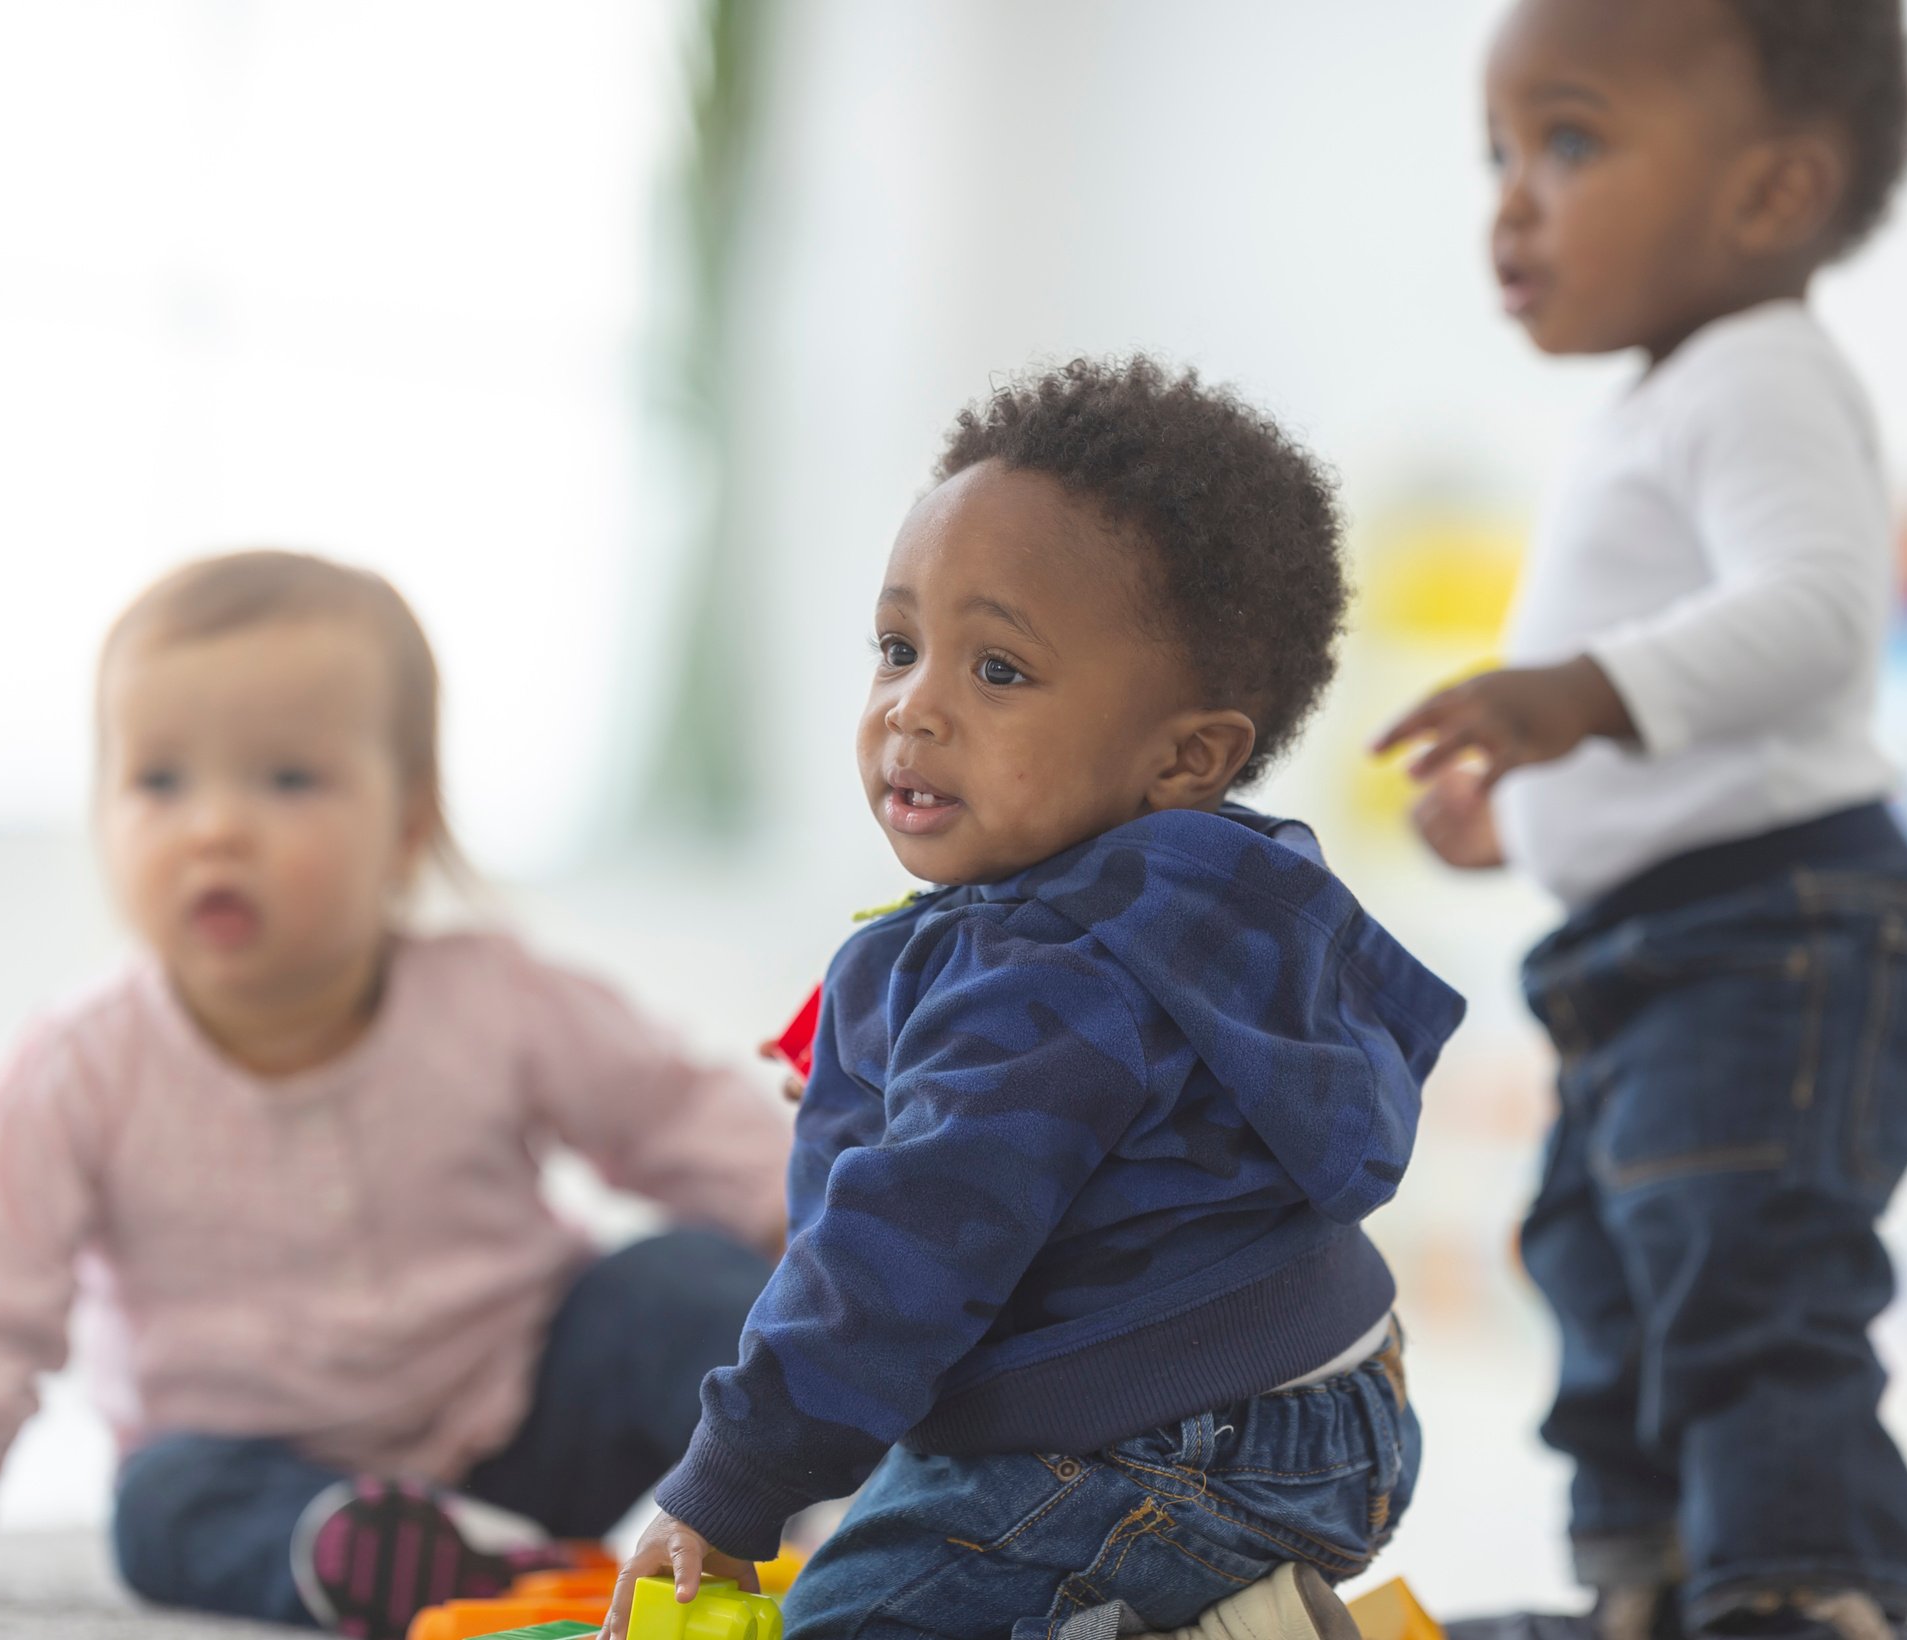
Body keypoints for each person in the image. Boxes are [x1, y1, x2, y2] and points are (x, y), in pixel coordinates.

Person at [603, 358, 1466, 1640]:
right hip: (1332, 1401)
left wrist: (734, 1484)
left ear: (1186, 753)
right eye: (899, 646)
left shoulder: (1043, 971)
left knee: (849, 1612)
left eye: (997, 670)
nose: (914, 707)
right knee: (918, 1515)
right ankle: (1220, 1616)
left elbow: (895, 1261)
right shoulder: (1201, 908)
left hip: (1178, 1437)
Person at [0, 551, 791, 1638]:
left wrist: (812, 1225)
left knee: (680, 1284)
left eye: (286, 780)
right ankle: (411, 1563)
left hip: (524, 1411)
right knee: (159, 1507)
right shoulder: (79, 1065)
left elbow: (675, 1111)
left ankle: (806, 1498)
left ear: (406, 824)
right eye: (159, 781)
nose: (214, 828)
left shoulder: (497, 997)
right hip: (269, 1467)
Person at [1373, 4, 1907, 1638]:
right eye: (1495, 153)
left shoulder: (1754, 373)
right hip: (1674, 940)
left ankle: (1794, 1589)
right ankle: (1643, 1581)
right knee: (1597, 1259)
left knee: (1738, 1271)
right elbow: (1691, 709)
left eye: (1566, 145)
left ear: (1769, 193)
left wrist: (1565, 701)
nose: (1509, 199)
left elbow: (1814, 620)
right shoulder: (1658, 399)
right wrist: (1531, 810)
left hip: (1779, 930)